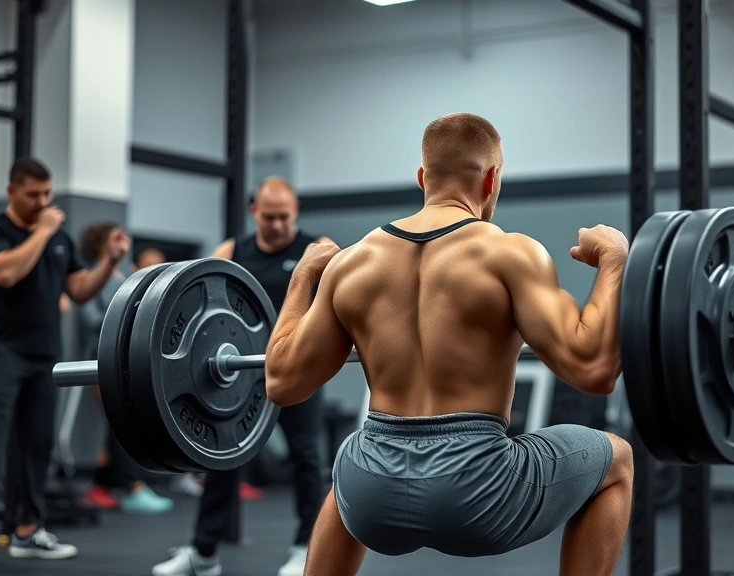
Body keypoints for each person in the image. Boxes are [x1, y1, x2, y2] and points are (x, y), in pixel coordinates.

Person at [263, 113, 635, 576]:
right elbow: (595, 368)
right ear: (492, 178)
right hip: (474, 495)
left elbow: (281, 382)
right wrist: (614, 260)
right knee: (617, 458)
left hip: (371, 499)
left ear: (422, 177)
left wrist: (303, 275)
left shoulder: (350, 264)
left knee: (349, 469)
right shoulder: (511, 253)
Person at [0, 158, 131, 571]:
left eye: (47, 193)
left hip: (44, 357)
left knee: (37, 445)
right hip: (0, 353)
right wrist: (44, 231)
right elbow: (6, 274)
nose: (43, 201)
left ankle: (28, 531)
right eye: (34, 194)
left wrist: (107, 262)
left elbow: (81, 290)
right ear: (13, 191)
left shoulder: (60, 239)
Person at [152, 177, 335, 576]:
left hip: (296, 370)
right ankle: (203, 555)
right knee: (222, 458)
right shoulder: (231, 252)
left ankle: (305, 549)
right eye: (268, 216)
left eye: (283, 216)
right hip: (236, 374)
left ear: (296, 210)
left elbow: (335, 307)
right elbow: (196, 296)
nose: (276, 224)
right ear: (254, 212)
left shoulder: (316, 249)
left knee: (306, 458)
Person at [78, 223, 174, 515]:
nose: (122, 243)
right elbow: (92, 319)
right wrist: (124, 320)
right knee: (121, 421)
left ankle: (102, 486)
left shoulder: (125, 277)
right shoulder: (90, 277)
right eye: (114, 239)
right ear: (100, 243)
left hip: (126, 359)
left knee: (122, 422)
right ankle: (132, 488)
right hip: (100, 357)